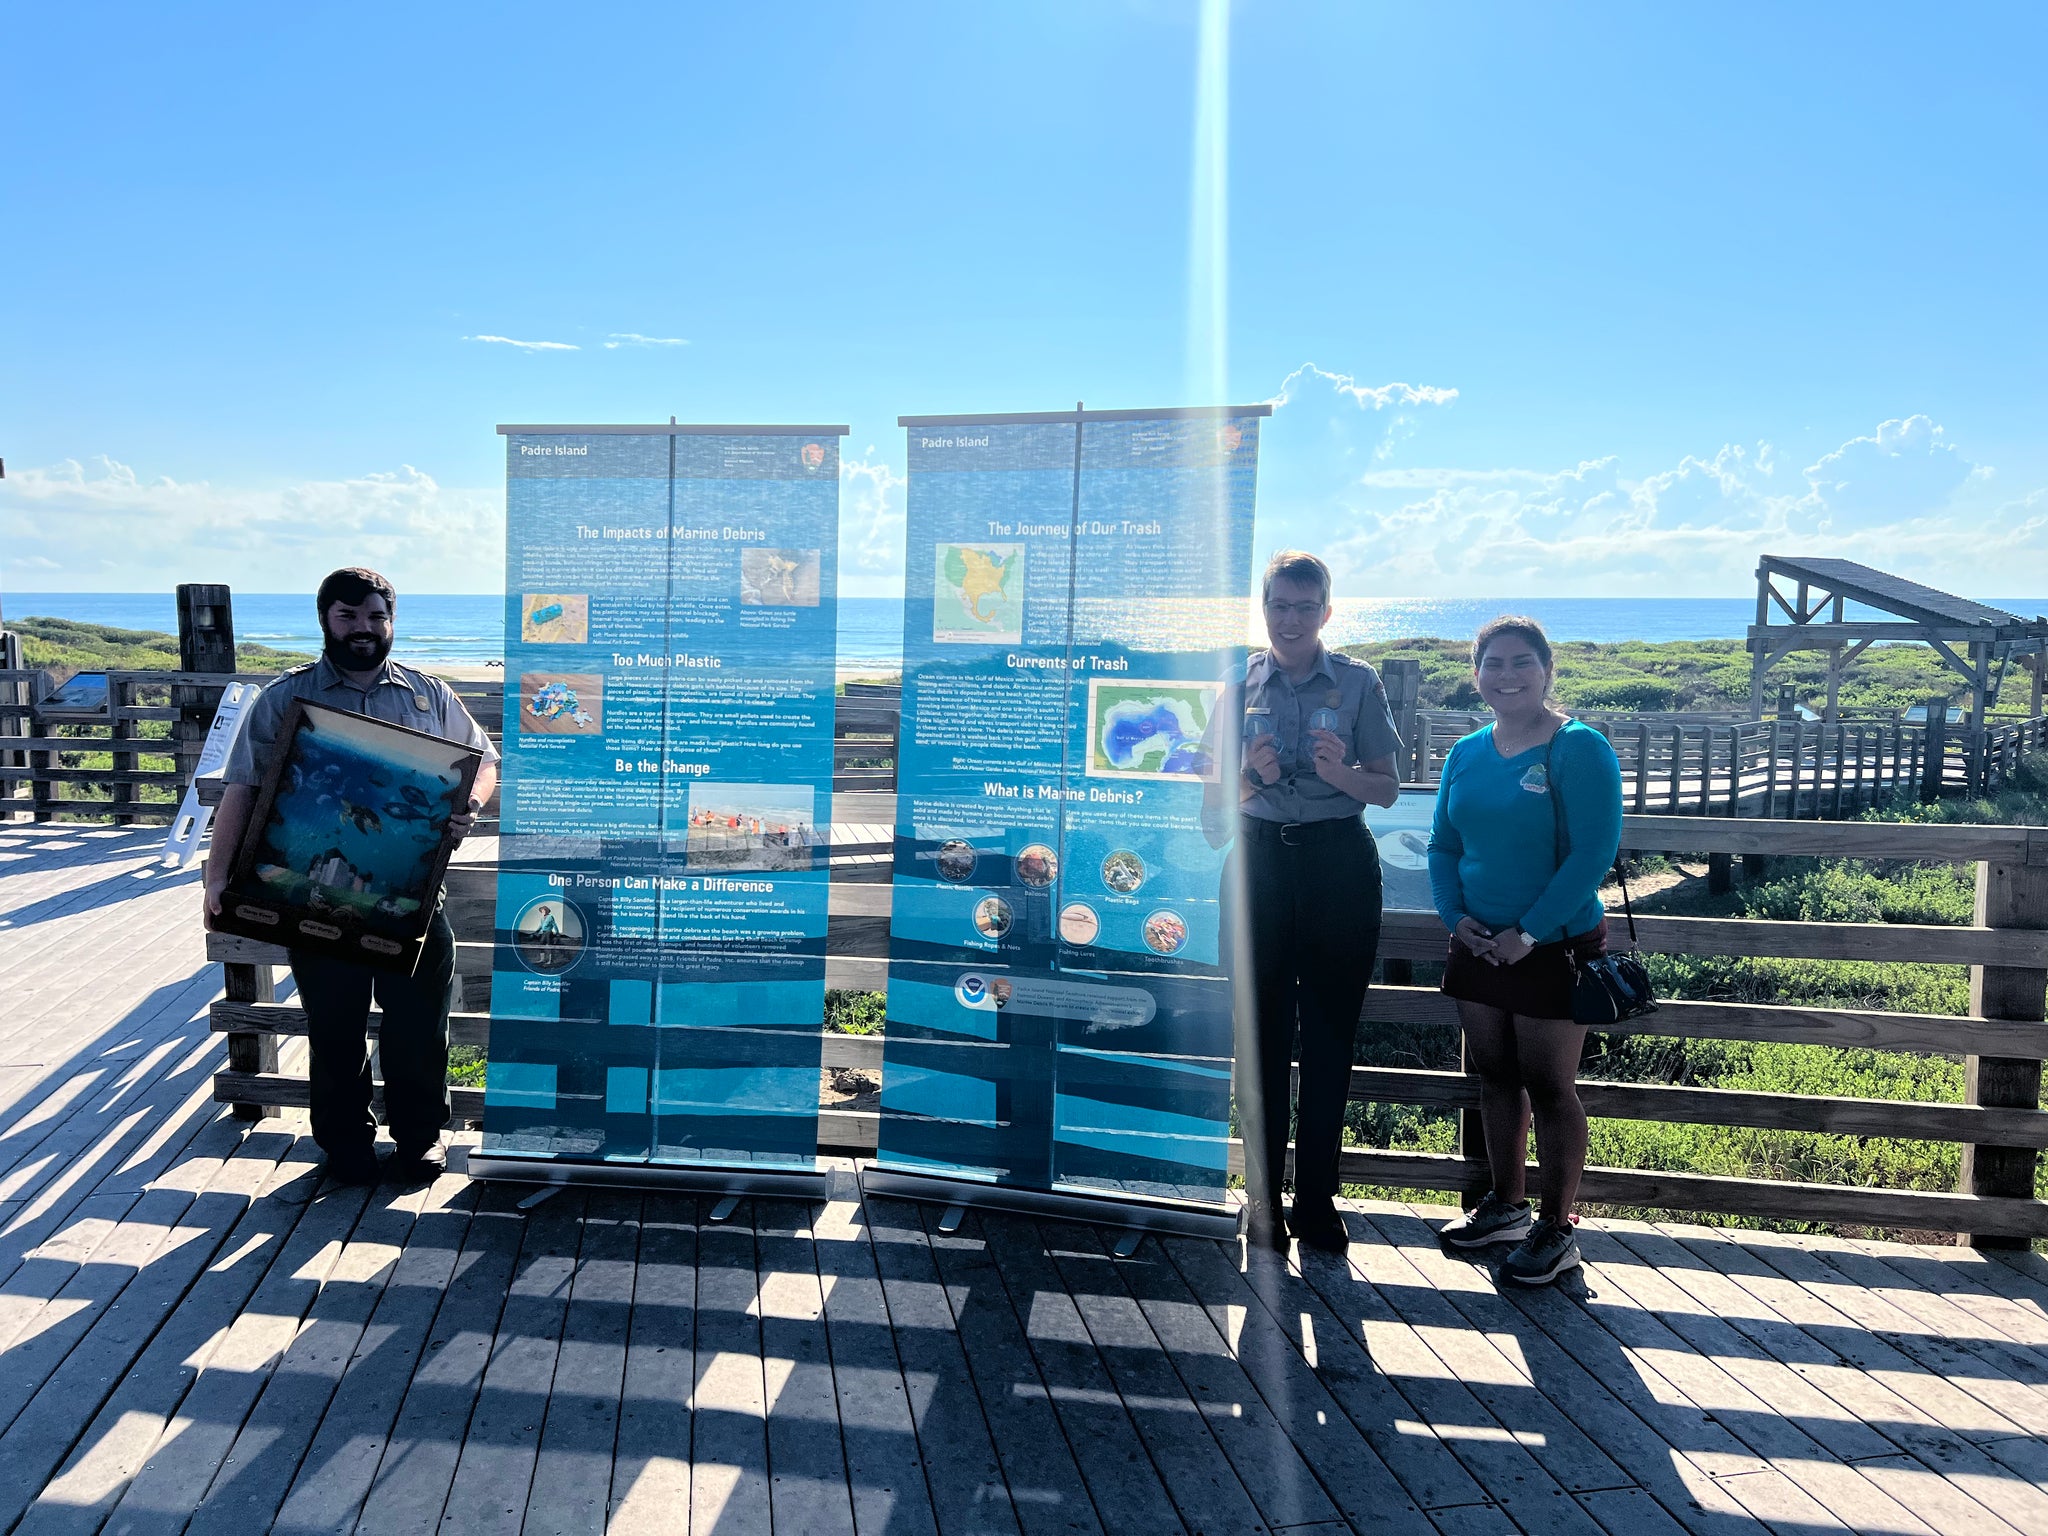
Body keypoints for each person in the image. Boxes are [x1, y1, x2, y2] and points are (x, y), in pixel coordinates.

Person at [205, 568, 500, 1187]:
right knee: (333, 1027)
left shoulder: (428, 695)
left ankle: (419, 1140)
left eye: (375, 617)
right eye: (349, 616)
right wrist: (216, 878)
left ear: (390, 622)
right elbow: (243, 789)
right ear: (325, 620)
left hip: (413, 896)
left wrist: (467, 806)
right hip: (313, 896)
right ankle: (345, 1146)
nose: (363, 629)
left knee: (420, 1023)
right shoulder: (284, 700)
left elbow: (482, 762)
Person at [1205, 550, 1402, 1253]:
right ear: (1264, 610)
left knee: (1328, 1044)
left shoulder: (1357, 683)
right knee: (1256, 1046)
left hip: (1338, 868)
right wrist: (1248, 780)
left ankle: (1316, 1204)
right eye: (1278, 606)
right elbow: (1210, 816)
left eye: (1303, 606)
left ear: (1325, 610)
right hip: (1256, 865)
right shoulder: (1235, 690)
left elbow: (1385, 788)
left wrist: (1338, 772)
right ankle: (1262, 1206)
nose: (1290, 619)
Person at [1426, 616, 1622, 1285]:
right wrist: (1457, 918)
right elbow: (1443, 847)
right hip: (1478, 944)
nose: (1507, 676)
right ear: (1475, 672)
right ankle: (1505, 1206)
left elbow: (1591, 855)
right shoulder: (1467, 751)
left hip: (1553, 946)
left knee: (1550, 1085)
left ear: (1547, 669)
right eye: (1493, 664)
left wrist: (1529, 933)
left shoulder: (1579, 747)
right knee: (1496, 1076)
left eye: (1522, 663)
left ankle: (1555, 1226)